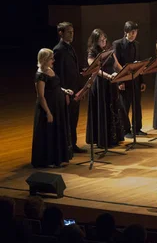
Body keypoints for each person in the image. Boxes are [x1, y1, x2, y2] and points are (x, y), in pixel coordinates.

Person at [31, 48, 73, 168]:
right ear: (44, 60)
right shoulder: (40, 75)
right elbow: (41, 96)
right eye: (51, 58)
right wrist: (48, 113)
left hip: (57, 107)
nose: (53, 61)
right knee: (49, 133)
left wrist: (65, 91)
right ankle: (48, 160)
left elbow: (55, 86)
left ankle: (58, 159)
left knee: (57, 131)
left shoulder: (50, 69)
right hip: (48, 108)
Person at [85, 29, 124, 148]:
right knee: (102, 109)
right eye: (101, 40)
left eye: (104, 39)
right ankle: (102, 139)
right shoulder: (92, 53)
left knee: (112, 108)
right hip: (100, 85)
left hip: (111, 83)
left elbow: (117, 65)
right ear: (95, 41)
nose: (103, 41)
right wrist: (108, 76)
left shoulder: (109, 51)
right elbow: (94, 69)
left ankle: (113, 138)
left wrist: (123, 76)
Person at [53, 22, 84, 153]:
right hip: (67, 91)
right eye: (69, 32)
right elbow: (59, 74)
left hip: (75, 89)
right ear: (61, 33)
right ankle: (66, 147)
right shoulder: (58, 50)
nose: (72, 35)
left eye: (72, 32)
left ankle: (73, 144)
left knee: (74, 118)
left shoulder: (70, 48)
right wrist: (64, 92)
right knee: (67, 119)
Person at [113, 21, 147, 138]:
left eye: (135, 32)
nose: (133, 34)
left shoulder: (136, 44)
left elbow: (139, 63)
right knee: (124, 105)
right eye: (131, 32)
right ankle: (125, 130)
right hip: (124, 80)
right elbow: (116, 64)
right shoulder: (117, 44)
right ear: (125, 32)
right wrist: (120, 81)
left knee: (137, 104)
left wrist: (142, 80)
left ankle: (137, 128)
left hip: (136, 79)